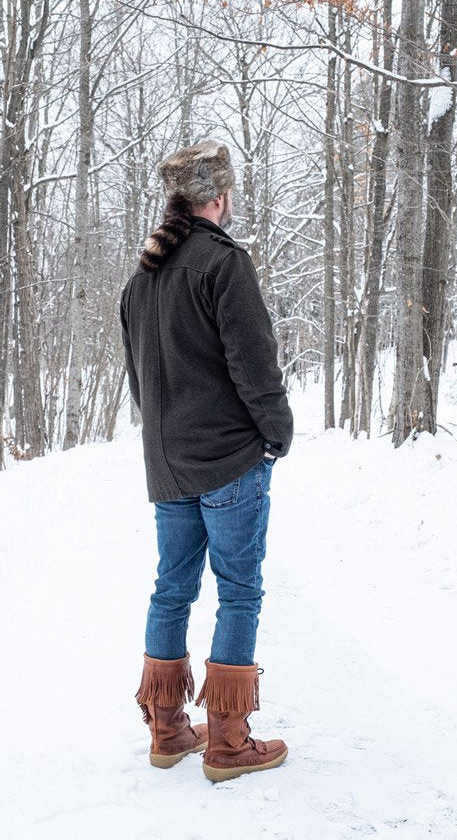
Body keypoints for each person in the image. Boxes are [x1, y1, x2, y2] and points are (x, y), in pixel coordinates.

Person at [120, 140, 294, 782]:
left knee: (172, 589)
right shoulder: (223, 263)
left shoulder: (142, 276)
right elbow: (255, 363)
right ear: (219, 197)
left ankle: (168, 732)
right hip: (226, 459)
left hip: (167, 467)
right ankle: (227, 743)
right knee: (239, 592)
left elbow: (139, 383)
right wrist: (276, 431)